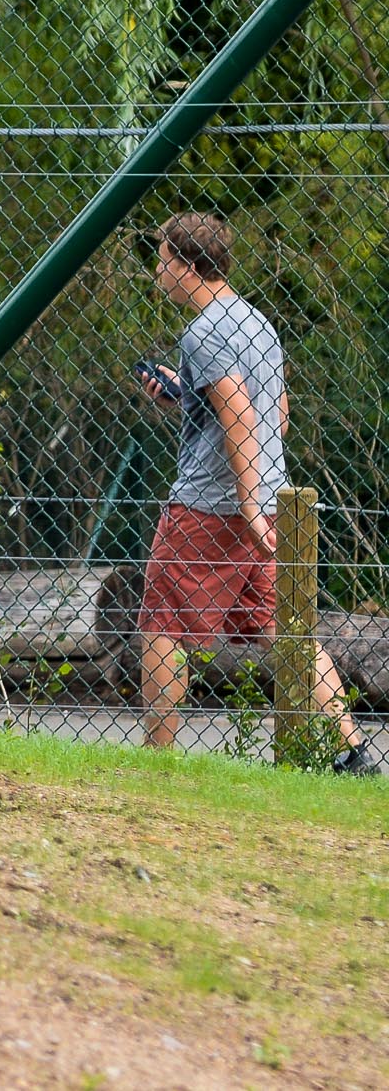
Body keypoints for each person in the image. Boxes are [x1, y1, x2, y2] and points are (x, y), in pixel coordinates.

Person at [134, 212, 379, 774]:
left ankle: (158, 763)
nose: (157, 270)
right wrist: (183, 401)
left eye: (163, 258)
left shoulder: (203, 332)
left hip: (212, 508)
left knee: (162, 620)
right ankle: (353, 750)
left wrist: (244, 504)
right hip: (272, 498)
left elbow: (239, 413)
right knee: (280, 628)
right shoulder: (256, 323)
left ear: (187, 266)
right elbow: (277, 417)